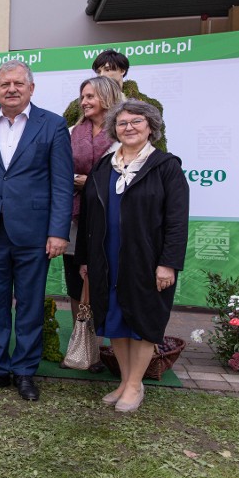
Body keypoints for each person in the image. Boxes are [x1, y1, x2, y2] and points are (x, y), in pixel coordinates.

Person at [0, 60, 73, 400]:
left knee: (30, 305)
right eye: (4, 84)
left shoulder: (52, 125)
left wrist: (58, 231)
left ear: (31, 88)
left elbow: (62, 185)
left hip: (34, 233)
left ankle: (24, 371)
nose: (11, 88)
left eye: (18, 83)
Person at [76, 99, 188, 412]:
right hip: (106, 258)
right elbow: (87, 218)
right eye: (123, 123)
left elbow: (177, 221)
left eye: (137, 122)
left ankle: (136, 385)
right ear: (114, 129)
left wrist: (168, 264)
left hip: (148, 260)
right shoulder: (102, 166)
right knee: (116, 319)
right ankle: (125, 381)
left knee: (142, 321)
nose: (129, 127)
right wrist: (85, 259)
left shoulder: (166, 167)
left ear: (151, 128)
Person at [62, 76, 123, 373]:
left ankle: (110, 344)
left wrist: (93, 183)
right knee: (76, 280)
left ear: (108, 98)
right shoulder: (73, 130)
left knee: (106, 280)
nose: (84, 101)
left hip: (110, 221)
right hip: (74, 217)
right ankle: (84, 343)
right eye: (83, 96)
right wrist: (72, 182)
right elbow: (60, 167)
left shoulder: (123, 131)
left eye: (90, 96)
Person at [63, 49, 167, 152]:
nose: (102, 75)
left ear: (122, 71)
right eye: (98, 72)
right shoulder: (80, 104)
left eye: (107, 69)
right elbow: (65, 137)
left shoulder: (147, 104)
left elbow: (158, 142)